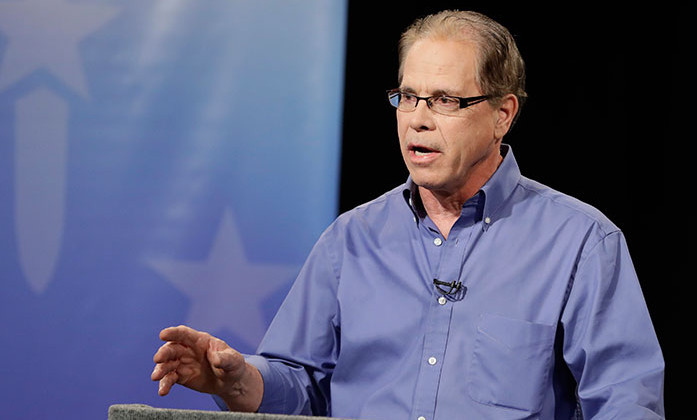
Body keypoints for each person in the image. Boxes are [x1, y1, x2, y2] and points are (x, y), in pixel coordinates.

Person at [152, 10, 665, 419]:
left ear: (502, 115)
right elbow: (302, 385)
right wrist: (236, 380)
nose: (417, 120)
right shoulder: (350, 240)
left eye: (444, 100)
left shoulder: (579, 242)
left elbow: (624, 403)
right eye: (408, 97)